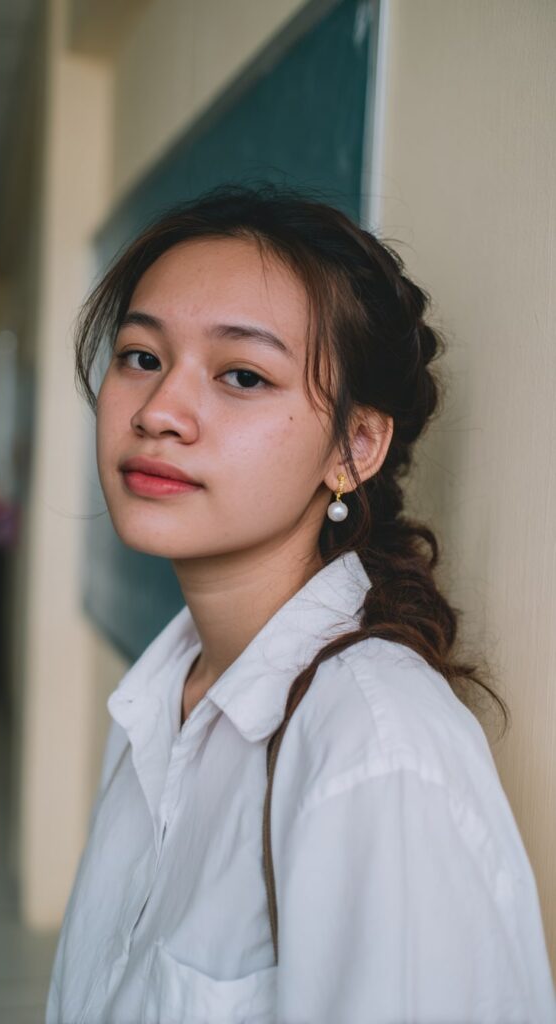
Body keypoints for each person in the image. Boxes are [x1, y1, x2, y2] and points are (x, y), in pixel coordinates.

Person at [45, 182, 556, 1023]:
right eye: (141, 356)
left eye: (241, 375)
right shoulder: (157, 695)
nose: (159, 411)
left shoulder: (375, 750)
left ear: (354, 446)